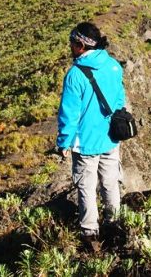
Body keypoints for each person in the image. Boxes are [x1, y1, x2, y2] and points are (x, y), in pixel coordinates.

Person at [56, 22, 125, 251]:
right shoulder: (114, 66)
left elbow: (69, 115)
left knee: (86, 186)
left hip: (85, 142)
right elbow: (119, 102)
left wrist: (63, 143)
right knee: (110, 182)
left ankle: (90, 233)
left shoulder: (75, 76)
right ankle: (113, 224)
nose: (70, 47)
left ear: (81, 45)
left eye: (72, 43)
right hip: (110, 138)